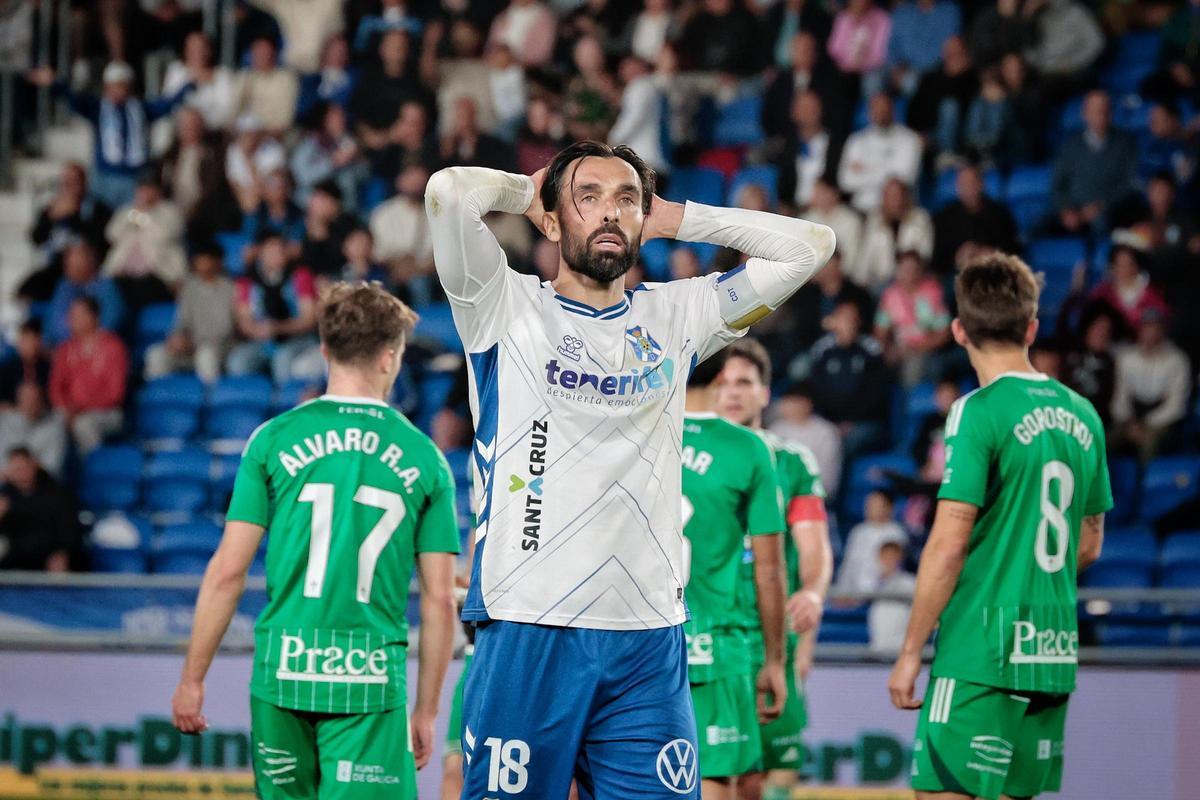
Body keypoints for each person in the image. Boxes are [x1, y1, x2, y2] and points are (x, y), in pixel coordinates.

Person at [424, 139, 835, 797]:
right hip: (529, 623)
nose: (610, 212)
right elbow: (448, 191)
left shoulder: (676, 315)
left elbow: (810, 246)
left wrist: (678, 218)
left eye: (626, 199)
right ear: (553, 220)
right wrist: (526, 194)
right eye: (587, 197)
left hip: (648, 639)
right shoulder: (502, 304)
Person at [172, 282, 460, 800]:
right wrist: (427, 710)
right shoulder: (426, 458)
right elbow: (440, 600)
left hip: (283, 673)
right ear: (390, 357)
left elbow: (228, 572)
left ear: (324, 350)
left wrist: (193, 678)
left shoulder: (271, 440)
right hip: (370, 683)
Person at [888, 252, 1111, 800]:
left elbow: (948, 545)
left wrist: (911, 649)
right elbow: (1089, 545)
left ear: (958, 331)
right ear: (1031, 327)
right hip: (1051, 649)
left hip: (981, 649)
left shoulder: (977, 411)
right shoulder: (1083, 413)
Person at [718, 339, 832, 800]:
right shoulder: (681, 453)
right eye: (724, 383)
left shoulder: (793, 462)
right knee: (717, 774)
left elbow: (814, 546)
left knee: (772, 777)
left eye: (744, 382)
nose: (732, 392)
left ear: (765, 393)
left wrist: (813, 594)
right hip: (709, 637)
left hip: (770, 639)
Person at [681, 348, 787, 799]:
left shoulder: (632, 431)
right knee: (712, 778)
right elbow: (769, 570)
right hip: (713, 643)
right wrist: (775, 660)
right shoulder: (749, 449)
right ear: (721, 372)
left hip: (634, 641)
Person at [227, 234, 323, 385]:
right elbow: (244, 319)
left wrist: (278, 328)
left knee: (282, 359)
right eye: (271, 250)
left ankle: (283, 397)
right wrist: (257, 330)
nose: (277, 255)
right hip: (263, 342)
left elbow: (309, 319)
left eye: (280, 250)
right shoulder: (247, 280)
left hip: (298, 339)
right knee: (238, 361)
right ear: (260, 252)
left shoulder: (300, 275)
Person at [1049, 91, 1137, 237]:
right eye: (1095, 111)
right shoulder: (1070, 145)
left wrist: (1101, 206)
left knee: (1102, 223)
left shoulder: (1125, 144)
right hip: (1074, 210)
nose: (1100, 115)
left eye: (1105, 110)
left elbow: (1129, 184)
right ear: (1084, 114)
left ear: (1111, 114)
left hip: (1108, 210)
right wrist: (1065, 210)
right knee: (1039, 228)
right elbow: (1058, 185)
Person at [48, 297, 129, 454]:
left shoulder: (113, 347)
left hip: (106, 411)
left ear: (93, 316)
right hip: (70, 411)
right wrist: (66, 408)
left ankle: (95, 466)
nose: (72, 320)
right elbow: (56, 387)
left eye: (78, 315)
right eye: (71, 315)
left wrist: (81, 408)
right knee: (52, 422)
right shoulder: (65, 349)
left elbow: (115, 393)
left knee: (84, 424)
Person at [144, 247, 236, 384]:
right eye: (199, 260)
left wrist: (193, 343)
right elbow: (181, 322)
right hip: (189, 348)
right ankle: (159, 394)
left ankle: (210, 394)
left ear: (218, 262)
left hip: (219, 348)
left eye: (206, 260)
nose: (202, 264)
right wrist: (176, 338)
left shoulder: (230, 288)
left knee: (206, 356)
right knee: (156, 354)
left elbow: (225, 329)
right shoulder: (189, 288)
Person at [1111, 308, 1192, 463]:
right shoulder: (1126, 358)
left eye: (1156, 327)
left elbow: (1176, 405)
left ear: (1163, 330)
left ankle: (1143, 479)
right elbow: (1120, 398)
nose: (1151, 333)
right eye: (1146, 327)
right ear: (1140, 330)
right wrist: (1130, 422)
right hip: (1130, 418)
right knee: (1104, 440)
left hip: (1161, 420)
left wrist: (1146, 424)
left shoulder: (1177, 360)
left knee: (1148, 445)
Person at [837, 92, 922, 213]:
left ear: (893, 110)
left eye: (884, 108)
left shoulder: (909, 139)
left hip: (897, 210)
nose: (881, 112)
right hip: (861, 209)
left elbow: (904, 179)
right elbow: (845, 181)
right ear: (869, 112)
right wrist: (886, 171)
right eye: (876, 108)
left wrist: (866, 170)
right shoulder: (856, 140)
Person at [0, 447, 81, 572]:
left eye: (23, 468)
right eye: (16, 469)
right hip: (13, 556)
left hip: (48, 555)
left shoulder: (56, 493)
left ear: (34, 465)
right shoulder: (5, 496)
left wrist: (63, 552)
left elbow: (70, 531)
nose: (20, 473)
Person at [931, 164, 1018, 276]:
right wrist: (958, 258)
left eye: (972, 183)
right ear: (957, 187)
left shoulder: (1000, 214)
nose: (968, 188)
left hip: (993, 273)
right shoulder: (944, 217)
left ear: (981, 184)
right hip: (955, 276)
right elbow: (937, 262)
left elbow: (1013, 252)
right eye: (963, 184)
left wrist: (989, 253)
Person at [769, 382, 842, 499]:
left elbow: (828, 478)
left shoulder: (825, 431)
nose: (787, 406)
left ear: (807, 403)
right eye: (786, 401)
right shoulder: (776, 429)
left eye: (794, 401)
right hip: (781, 494)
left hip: (814, 496)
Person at [836, 490, 907, 594]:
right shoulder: (858, 531)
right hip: (853, 593)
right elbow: (848, 564)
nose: (870, 509)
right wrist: (841, 591)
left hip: (882, 594)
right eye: (868, 505)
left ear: (889, 508)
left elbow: (892, 568)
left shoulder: (897, 533)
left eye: (876, 505)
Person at [0, 383, 67, 479]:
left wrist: (24, 468)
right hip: (6, 480)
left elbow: (52, 468)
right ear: (18, 401)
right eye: (26, 400)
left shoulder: (54, 428)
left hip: (39, 483)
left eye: (34, 400)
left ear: (42, 402)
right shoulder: (5, 422)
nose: (30, 404)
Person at [866, 539, 916, 654]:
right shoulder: (870, 580)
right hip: (877, 641)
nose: (889, 561)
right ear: (879, 557)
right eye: (886, 557)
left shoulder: (909, 582)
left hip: (901, 640)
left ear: (900, 558)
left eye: (893, 557)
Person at [0, 322, 51, 405]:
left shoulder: (48, 368)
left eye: (33, 340)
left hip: (43, 411)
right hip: (14, 410)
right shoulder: (7, 370)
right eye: (26, 340)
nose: (30, 345)